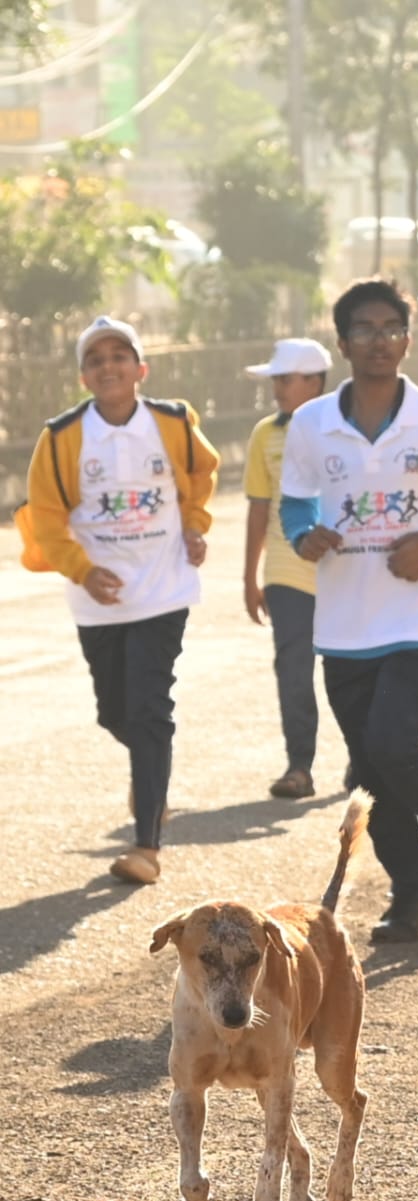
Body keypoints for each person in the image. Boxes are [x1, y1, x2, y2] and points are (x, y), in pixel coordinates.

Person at [280, 279, 418, 944]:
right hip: (345, 623)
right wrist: (305, 534)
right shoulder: (312, 422)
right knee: (369, 771)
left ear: (408, 338)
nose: (378, 340)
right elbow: (294, 502)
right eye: (364, 329)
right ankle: (412, 891)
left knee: (392, 742)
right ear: (342, 342)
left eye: (390, 328)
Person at [18, 315, 218, 886]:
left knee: (150, 711)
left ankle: (147, 847)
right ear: (84, 377)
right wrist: (83, 570)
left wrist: (195, 526)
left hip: (163, 589)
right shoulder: (62, 439)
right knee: (116, 712)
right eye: (96, 360)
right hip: (98, 599)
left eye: (119, 356)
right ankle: (147, 766)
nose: (109, 366)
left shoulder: (174, 423)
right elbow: (47, 518)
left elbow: (200, 477)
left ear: (140, 369)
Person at [243, 337, 334, 801]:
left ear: (314, 381)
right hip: (285, 569)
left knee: (349, 670)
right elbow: (260, 507)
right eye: (276, 379)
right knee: (293, 669)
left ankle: (364, 763)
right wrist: (249, 576)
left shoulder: (347, 427)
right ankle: (299, 766)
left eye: (285, 379)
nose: (277, 388)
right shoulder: (266, 434)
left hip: (346, 571)